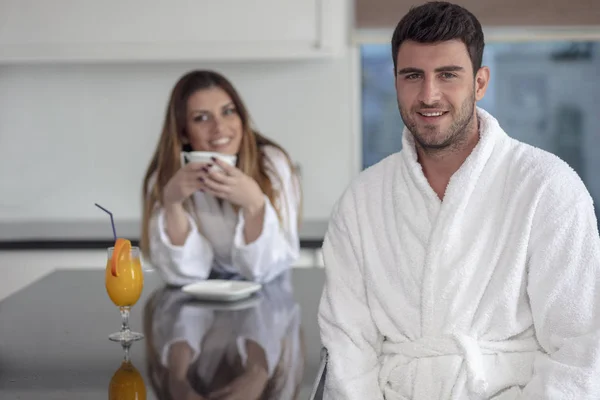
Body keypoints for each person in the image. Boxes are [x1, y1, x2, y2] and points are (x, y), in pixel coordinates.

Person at [317, 2, 600, 399]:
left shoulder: (548, 189)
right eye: (412, 75)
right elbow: (348, 346)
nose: (429, 94)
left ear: (480, 83)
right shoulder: (362, 200)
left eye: (447, 75)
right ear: (396, 81)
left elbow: (582, 350)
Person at [140, 70, 301, 286]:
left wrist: (255, 203)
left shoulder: (272, 164)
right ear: (184, 132)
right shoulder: (166, 178)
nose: (219, 127)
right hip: (197, 306)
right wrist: (172, 204)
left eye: (228, 112)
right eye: (202, 118)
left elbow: (266, 269)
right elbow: (184, 275)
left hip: (269, 299)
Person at [143, 270, 305, 400]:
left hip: (185, 281)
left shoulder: (176, 379)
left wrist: (178, 380)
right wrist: (258, 372)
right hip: (268, 277)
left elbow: (176, 313)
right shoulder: (282, 389)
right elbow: (270, 310)